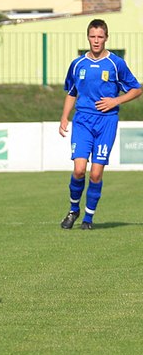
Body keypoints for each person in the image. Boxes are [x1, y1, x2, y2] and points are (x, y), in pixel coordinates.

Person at [58, 19, 140, 230]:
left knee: (95, 173)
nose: (96, 41)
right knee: (78, 170)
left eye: (100, 37)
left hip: (106, 122)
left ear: (106, 38)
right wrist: (64, 117)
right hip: (83, 120)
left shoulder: (115, 63)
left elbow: (136, 88)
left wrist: (116, 100)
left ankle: (88, 218)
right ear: (88, 37)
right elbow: (71, 92)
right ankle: (73, 209)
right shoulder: (78, 64)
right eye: (93, 36)